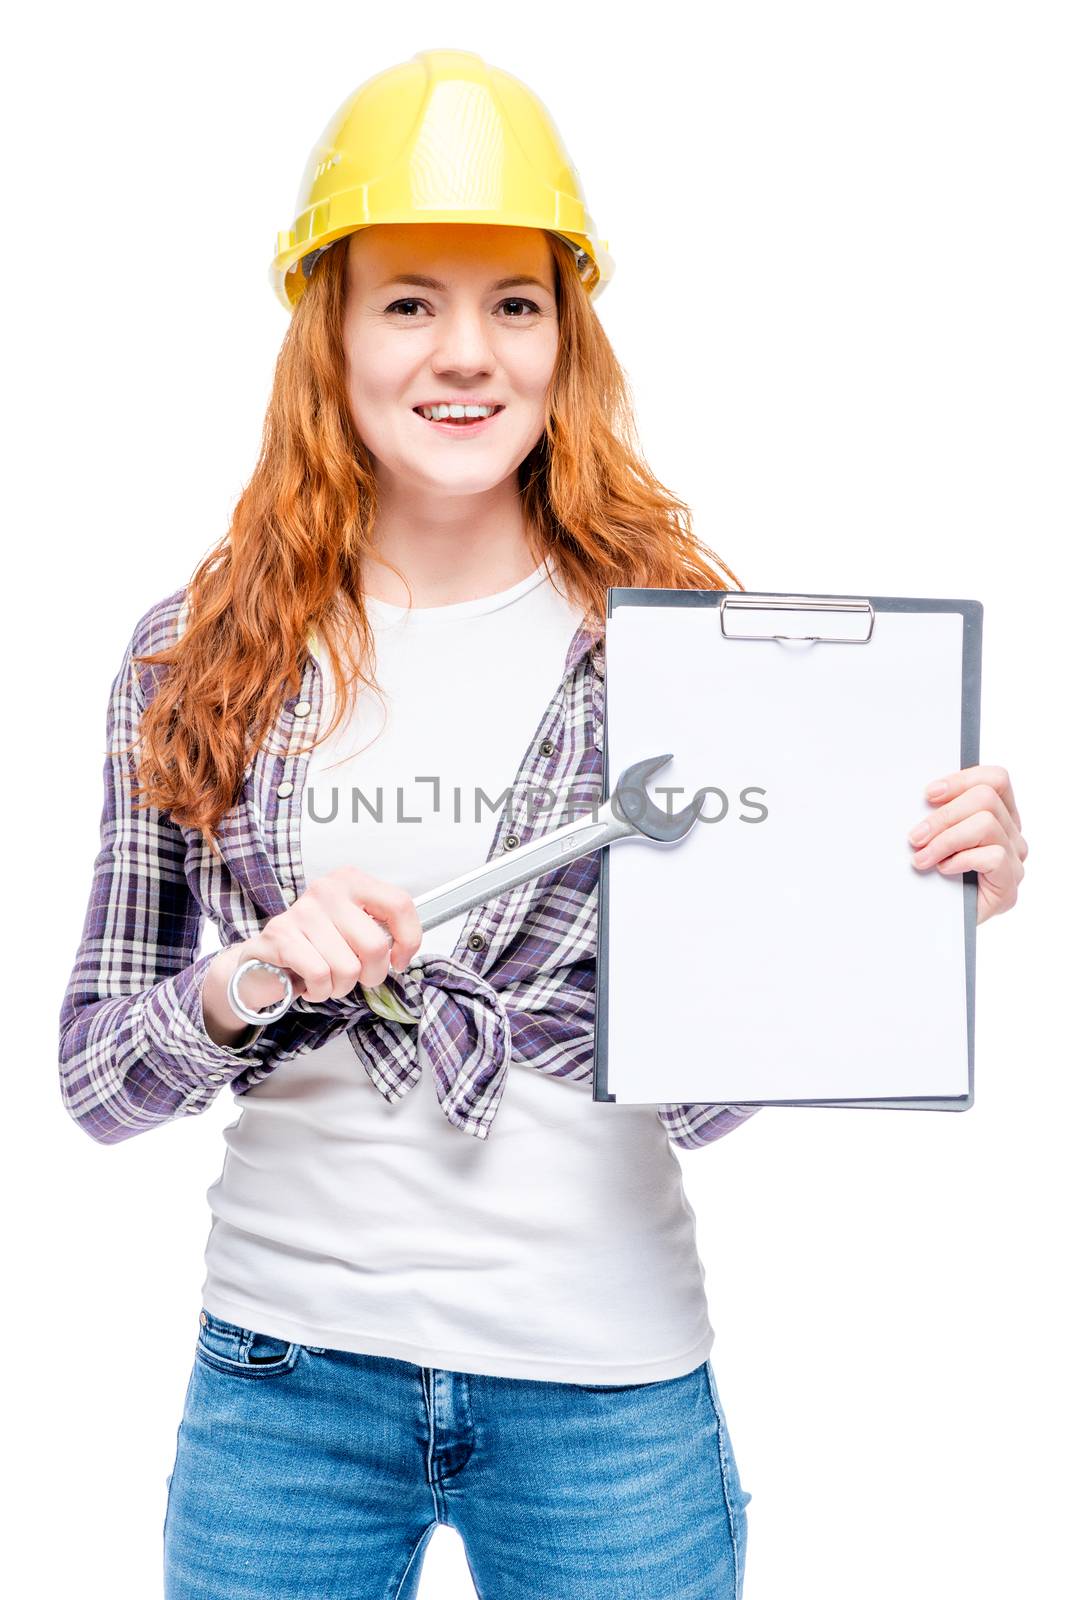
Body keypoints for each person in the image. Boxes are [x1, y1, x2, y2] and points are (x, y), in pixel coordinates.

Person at [57, 49, 1027, 1600]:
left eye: (515, 302)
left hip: (610, 1396)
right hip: (284, 1391)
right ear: (331, 333)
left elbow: (720, 1075)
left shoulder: (680, 646)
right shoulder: (197, 655)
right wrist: (260, 974)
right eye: (409, 299)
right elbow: (100, 1079)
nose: (467, 354)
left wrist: (906, 906)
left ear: (567, 336)